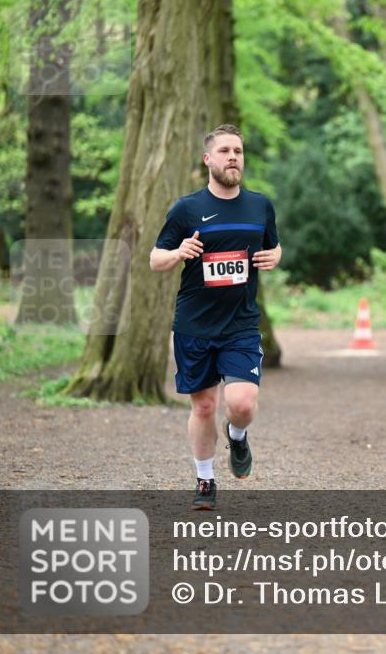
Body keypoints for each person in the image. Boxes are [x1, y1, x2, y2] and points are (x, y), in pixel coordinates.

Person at [149, 124, 281, 510]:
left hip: (240, 324)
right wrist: (178, 253)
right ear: (208, 159)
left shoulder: (260, 206)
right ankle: (205, 480)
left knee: (240, 402)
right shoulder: (187, 208)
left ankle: (237, 437)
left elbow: (274, 247)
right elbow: (155, 259)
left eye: (238, 151)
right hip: (194, 325)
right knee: (204, 406)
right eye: (224, 151)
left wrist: (275, 257)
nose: (233, 157)